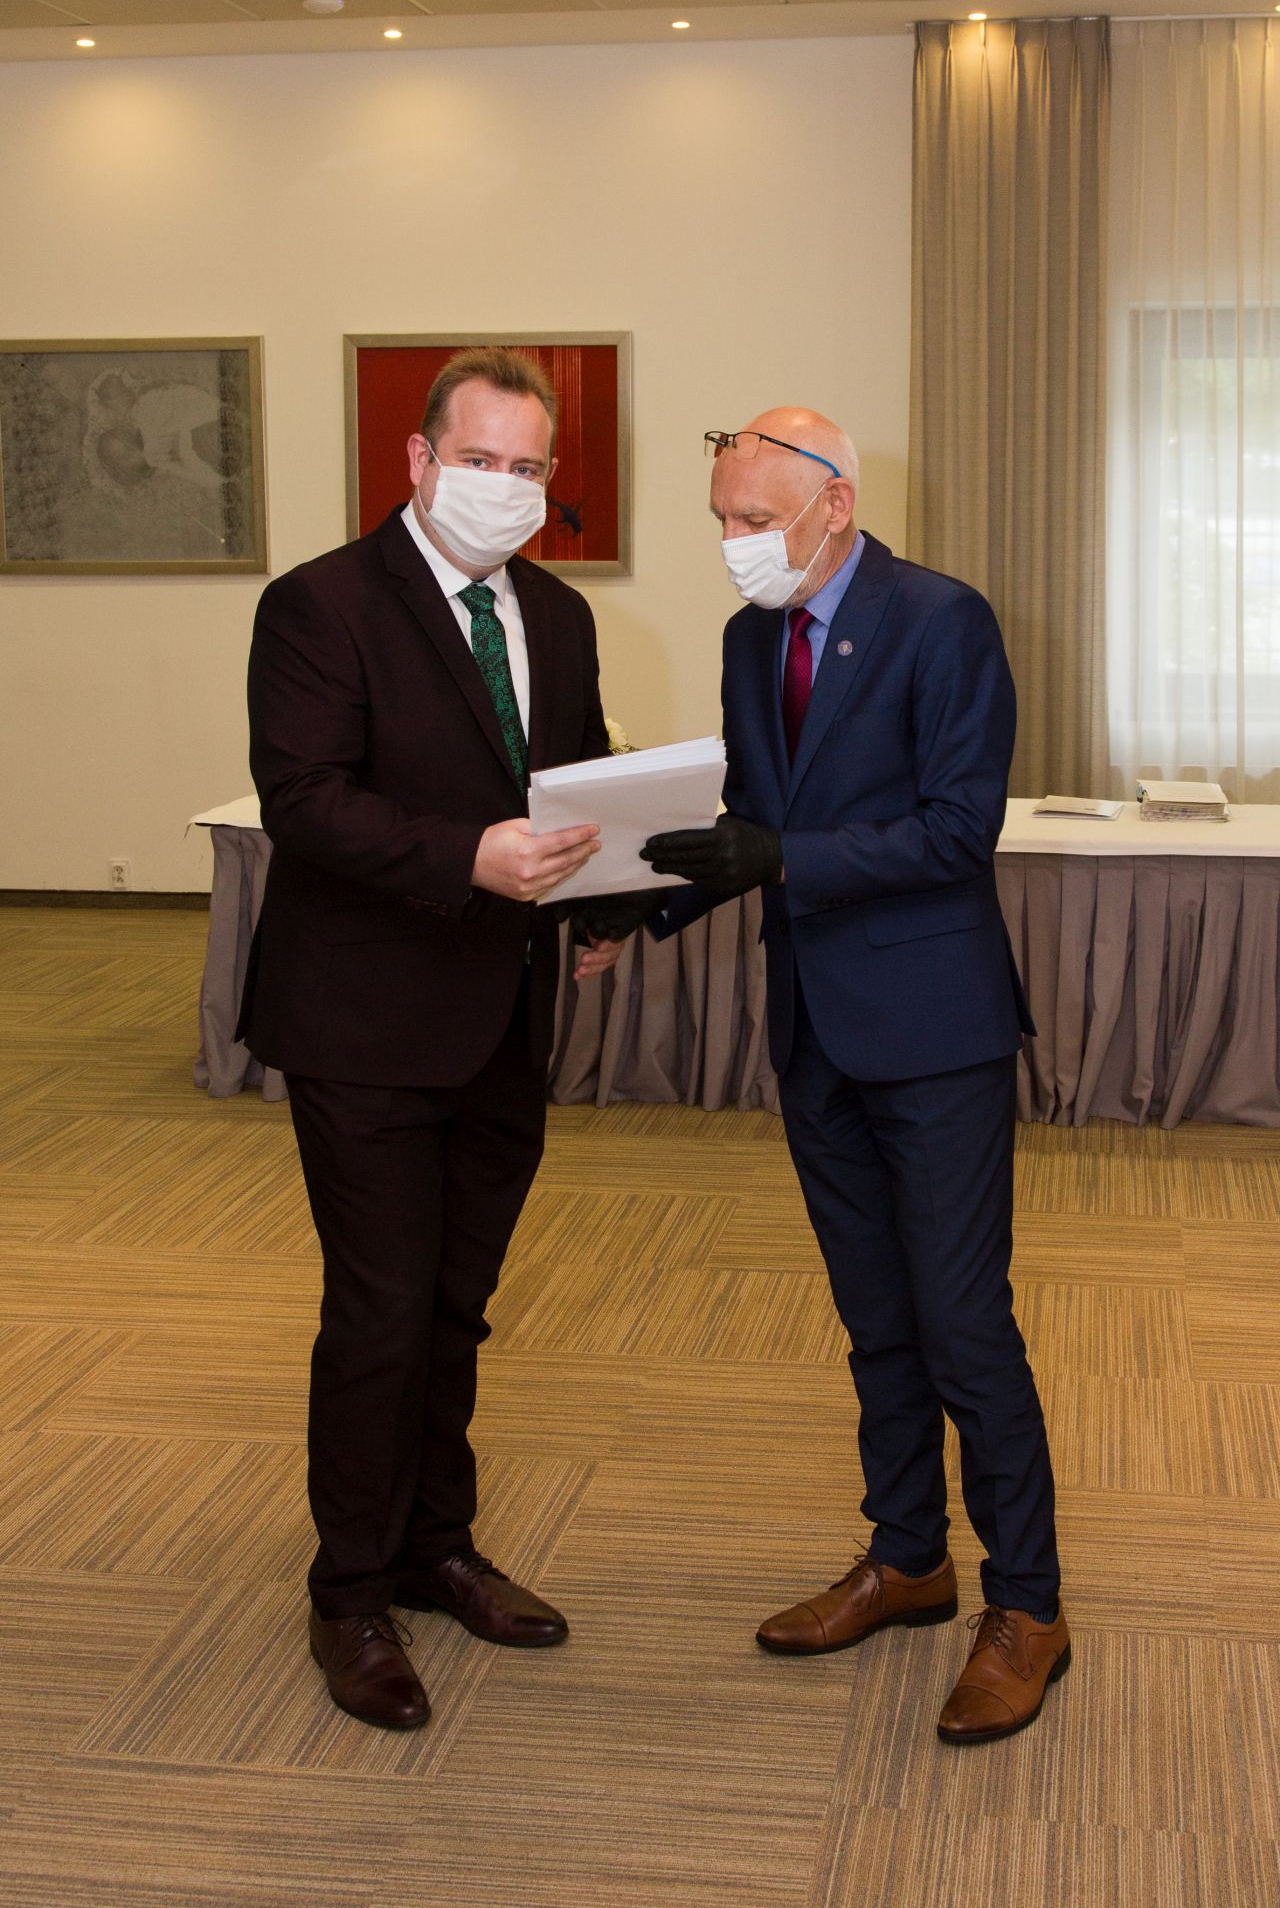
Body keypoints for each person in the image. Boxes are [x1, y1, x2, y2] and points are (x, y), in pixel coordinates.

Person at [641, 409, 1068, 1746]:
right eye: (720, 519)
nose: (733, 543)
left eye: (753, 519)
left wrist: (780, 860)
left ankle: (1029, 1607)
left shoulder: (942, 620)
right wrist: (638, 904)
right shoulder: (748, 638)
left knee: (962, 1323)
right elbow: (753, 823)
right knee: (875, 1316)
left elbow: (957, 829)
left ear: (835, 503)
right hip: (815, 1027)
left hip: (932, 1030)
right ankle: (908, 1558)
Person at [238, 347, 629, 1731]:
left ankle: (434, 1546)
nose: (505, 488)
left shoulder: (559, 615)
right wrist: (470, 856)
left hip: (503, 1016)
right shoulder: (322, 603)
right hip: (363, 1018)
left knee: (457, 1304)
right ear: (417, 461)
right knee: (381, 1311)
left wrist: (601, 894)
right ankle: (349, 1591)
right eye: (479, 461)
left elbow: (573, 779)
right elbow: (305, 800)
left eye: (529, 468)